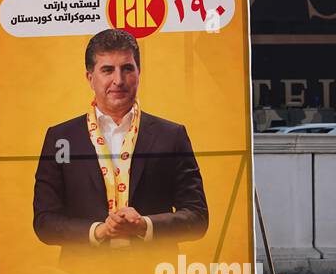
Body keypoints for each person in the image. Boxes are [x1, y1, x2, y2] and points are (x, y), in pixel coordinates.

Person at [33, 28, 208, 261]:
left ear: (139, 72)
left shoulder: (171, 135)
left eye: (127, 69)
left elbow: (197, 218)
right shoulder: (61, 138)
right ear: (90, 77)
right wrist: (99, 231)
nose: (118, 80)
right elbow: (44, 222)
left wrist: (144, 225)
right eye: (107, 70)